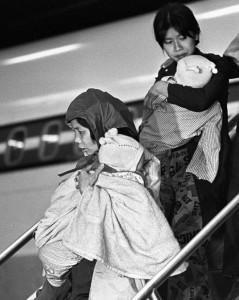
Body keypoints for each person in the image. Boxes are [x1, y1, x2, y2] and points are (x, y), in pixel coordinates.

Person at [34, 87, 184, 300]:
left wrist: (88, 190)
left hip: (106, 270)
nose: (77, 141)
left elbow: (131, 210)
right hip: (84, 270)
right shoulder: (90, 167)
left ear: (98, 126)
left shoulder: (132, 163)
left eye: (80, 131)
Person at [139, 3, 239, 300]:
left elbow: (202, 99)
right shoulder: (167, 71)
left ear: (195, 35)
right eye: (168, 42)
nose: (176, 47)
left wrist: (165, 88)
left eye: (181, 37)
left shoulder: (213, 65)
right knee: (175, 244)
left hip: (201, 169)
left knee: (201, 242)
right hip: (169, 173)